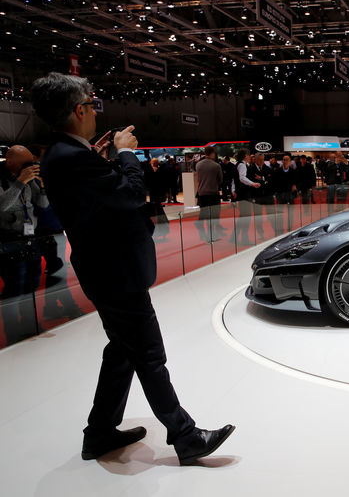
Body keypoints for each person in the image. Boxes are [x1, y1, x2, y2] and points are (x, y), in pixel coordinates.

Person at [32, 72, 234, 465]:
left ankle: (100, 432)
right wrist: (126, 154)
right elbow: (127, 195)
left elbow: (101, 198)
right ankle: (186, 436)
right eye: (92, 104)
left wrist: (103, 157)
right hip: (114, 273)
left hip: (107, 269)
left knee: (123, 352)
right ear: (78, 110)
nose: (94, 111)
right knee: (148, 354)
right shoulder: (70, 157)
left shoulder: (67, 153)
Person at [0, 145, 49, 346]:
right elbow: (2, 205)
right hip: (9, 242)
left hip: (31, 239)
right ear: (10, 161)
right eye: (25, 162)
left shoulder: (28, 178)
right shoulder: (9, 179)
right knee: (15, 289)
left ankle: (30, 326)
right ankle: (12, 333)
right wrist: (20, 182)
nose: (30, 165)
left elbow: (43, 204)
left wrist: (43, 186)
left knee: (32, 285)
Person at [195, 146, 224, 243]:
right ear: (212, 153)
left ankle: (205, 234)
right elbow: (220, 180)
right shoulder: (216, 165)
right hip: (212, 193)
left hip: (202, 193)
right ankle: (211, 236)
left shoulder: (198, 165)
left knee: (204, 214)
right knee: (214, 216)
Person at [233, 149, 262, 245]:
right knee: (246, 217)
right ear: (245, 156)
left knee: (243, 216)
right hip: (244, 194)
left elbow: (235, 179)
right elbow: (242, 178)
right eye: (249, 155)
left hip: (242, 193)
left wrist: (233, 190)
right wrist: (252, 183)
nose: (250, 157)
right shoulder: (242, 165)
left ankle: (234, 237)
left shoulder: (240, 164)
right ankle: (244, 238)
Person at [271, 154, 297, 234]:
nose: (285, 161)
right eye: (284, 160)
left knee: (290, 212)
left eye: (287, 160)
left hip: (290, 194)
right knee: (280, 213)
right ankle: (280, 229)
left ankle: (290, 228)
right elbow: (274, 183)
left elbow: (296, 181)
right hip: (280, 194)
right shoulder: (277, 171)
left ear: (290, 161)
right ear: (282, 161)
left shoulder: (293, 171)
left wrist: (295, 186)